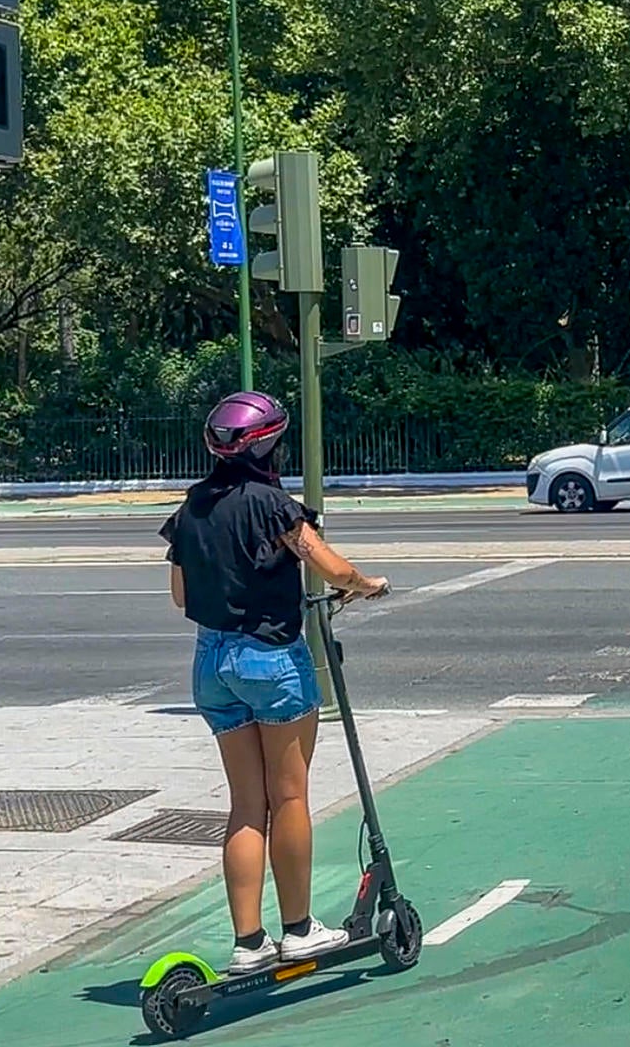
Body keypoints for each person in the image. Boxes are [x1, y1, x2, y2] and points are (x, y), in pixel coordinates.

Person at [159, 391, 389, 975]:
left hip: (211, 663)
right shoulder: (269, 503)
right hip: (269, 660)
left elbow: (182, 597)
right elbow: (328, 566)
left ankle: (248, 942)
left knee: (245, 803)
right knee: (288, 795)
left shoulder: (192, 507)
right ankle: (299, 929)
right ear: (266, 444)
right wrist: (366, 584)